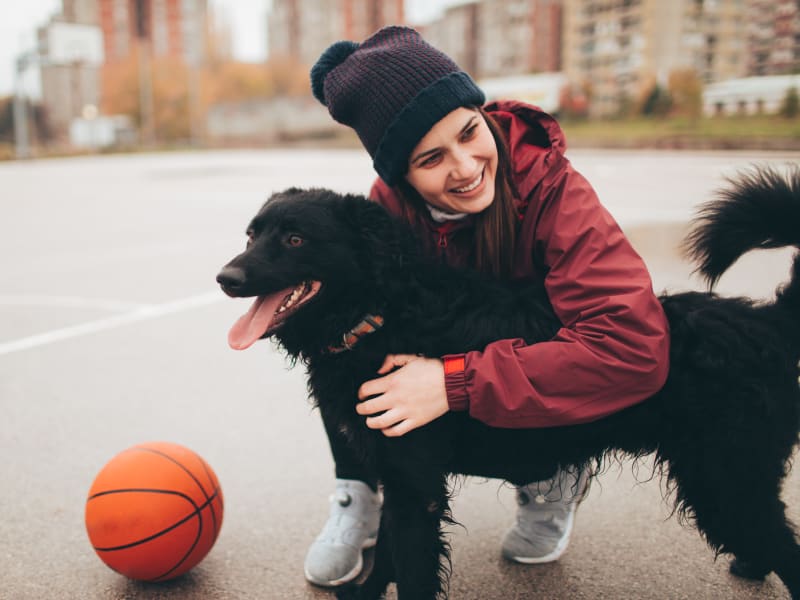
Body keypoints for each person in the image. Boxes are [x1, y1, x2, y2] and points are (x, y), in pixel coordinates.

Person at [304, 25, 670, 588]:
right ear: (400, 176)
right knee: (338, 333)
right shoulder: (384, 216)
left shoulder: (554, 192)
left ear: (483, 114)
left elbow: (632, 346)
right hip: (462, 358)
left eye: (470, 132)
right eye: (431, 159)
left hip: (530, 355)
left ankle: (551, 479)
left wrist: (452, 383)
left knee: (556, 365)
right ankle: (359, 494)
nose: (466, 166)